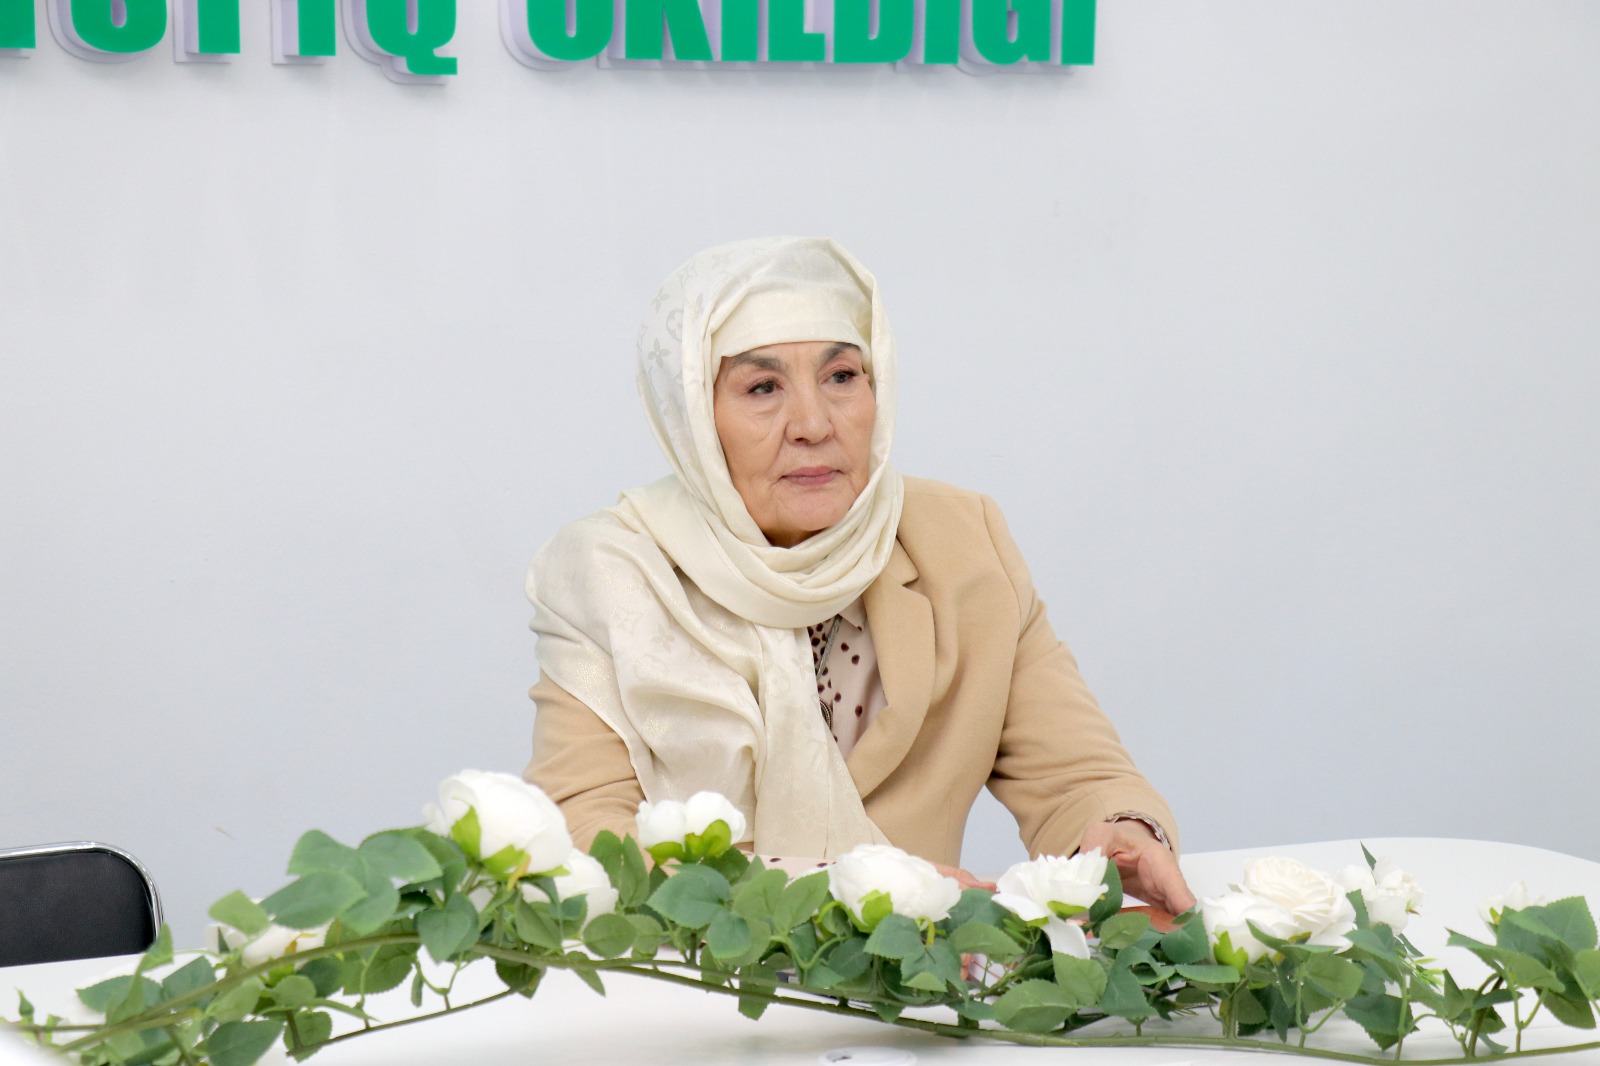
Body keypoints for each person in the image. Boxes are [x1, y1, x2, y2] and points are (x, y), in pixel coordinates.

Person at [524, 237, 1194, 914]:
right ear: (693, 419)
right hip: (692, 971)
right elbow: (584, 833)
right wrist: (843, 892)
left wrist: (1124, 830)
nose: (814, 424)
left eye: (842, 377)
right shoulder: (610, 575)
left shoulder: (964, 542)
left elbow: (1076, 774)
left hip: (921, 975)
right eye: (762, 388)